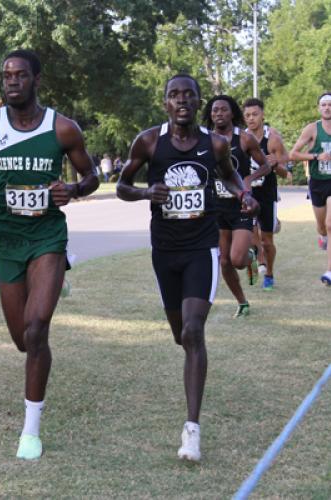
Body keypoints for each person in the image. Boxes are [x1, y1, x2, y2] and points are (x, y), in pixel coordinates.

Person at [0, 49, 99, 460]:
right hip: (7, 239)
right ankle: (52, 286)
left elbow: (91, 176)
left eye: (20, 75)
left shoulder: (63, 128)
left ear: (36, 79)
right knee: (23, 340)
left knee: (38, 330)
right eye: (6, 76)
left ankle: (31, 430)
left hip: (47, 237)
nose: (12, 82)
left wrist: (72, 190)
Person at [117, 74, 259, 462]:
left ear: (198, 102)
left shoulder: (214, 143)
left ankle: (191, 430)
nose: (181, 101)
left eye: (188, 95)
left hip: (202, 247)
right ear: (164, 102)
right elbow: (121, 185)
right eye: (173, 95)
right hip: (165, 250)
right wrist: (147, 192)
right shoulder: (149, 141)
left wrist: (245, 194)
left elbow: (230, 176)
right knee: (182, 336)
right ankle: (192, 364)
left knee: (194, 331)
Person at [202, 95, 270, 317]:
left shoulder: (245, 138)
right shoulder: (205, 139)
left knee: (237, 260)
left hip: (241, 205)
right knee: (223, 260)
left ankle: (250, 257)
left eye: (223, 110)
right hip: (216, 207)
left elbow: (266, 165)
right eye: (214, 111)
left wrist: (249, 180)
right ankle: (242, 302)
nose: (218, 114)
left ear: (232, 113)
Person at [243, 98, 290, 290]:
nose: (251, 118)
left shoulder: (273, 140)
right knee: (249, 236)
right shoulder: (241, 138)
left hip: (267, 195)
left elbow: (287, 174)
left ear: (263, 115)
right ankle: (257, 260)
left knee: (267, 240)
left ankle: (269, 273)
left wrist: (275, 164)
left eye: (255, 114)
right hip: (247, 194)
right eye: (247, 115)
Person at [290, 92, 331, 285]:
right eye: (323, 104)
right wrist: (317, 157)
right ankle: (321, 235)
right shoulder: (312, 129)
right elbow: (293, 154)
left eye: (330, 104)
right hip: (317, 182)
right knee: (322, 226)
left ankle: (330, 271)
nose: (327, 108)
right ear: (318, 108)